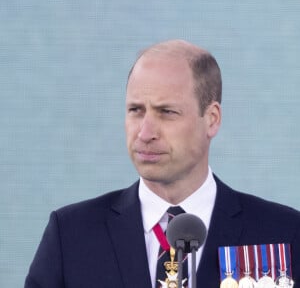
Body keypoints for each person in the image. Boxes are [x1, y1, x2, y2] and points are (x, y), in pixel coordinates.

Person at [24, 40, 300, 288]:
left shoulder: (284, 232)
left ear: (212, 119)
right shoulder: (71, 234)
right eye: (136, 110)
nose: (145, 133)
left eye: (167, 112)